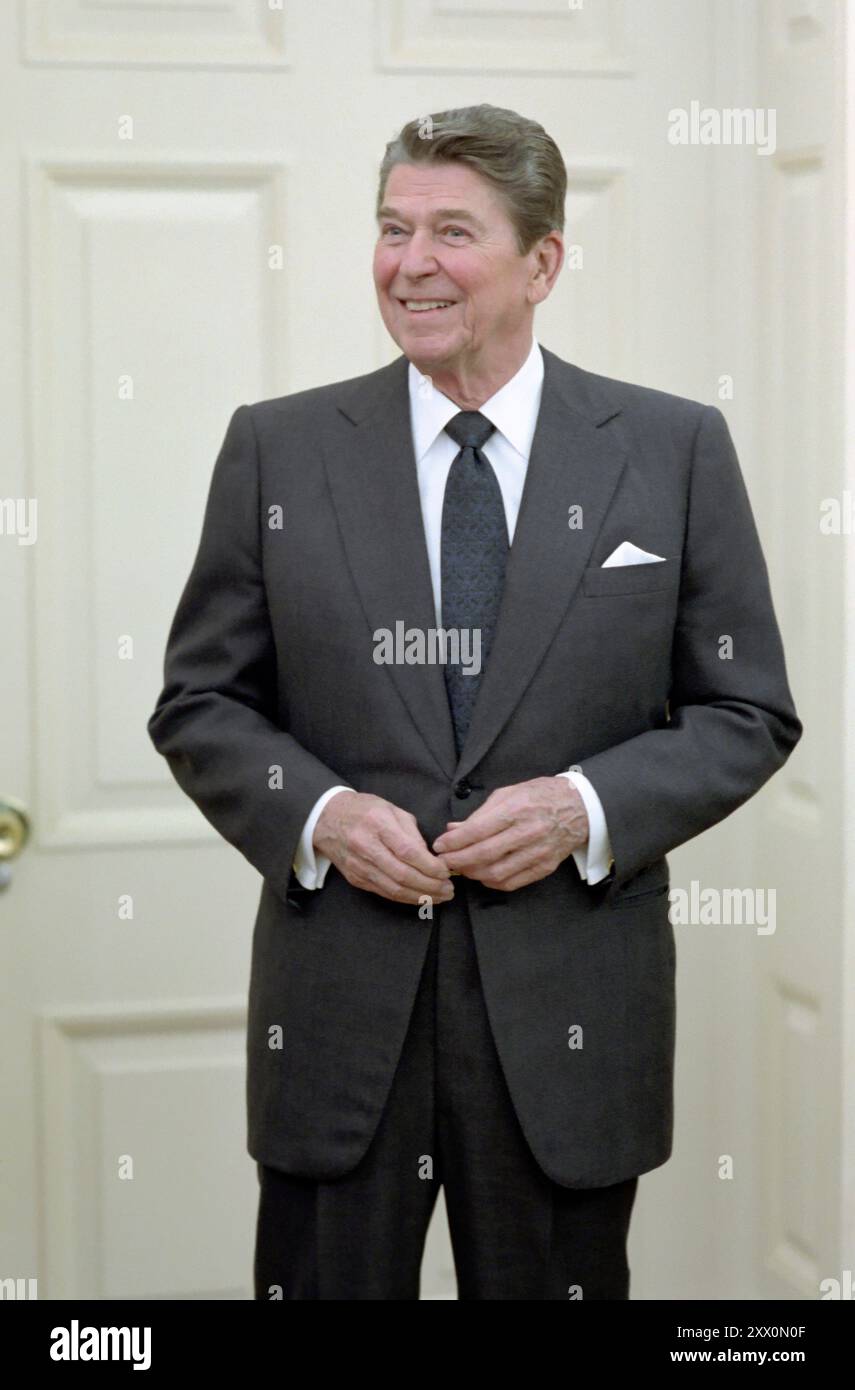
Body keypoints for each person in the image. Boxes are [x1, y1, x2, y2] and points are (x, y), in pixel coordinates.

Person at [147, 103, 802, 1300]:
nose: (411, 263)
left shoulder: (672, 449)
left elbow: (746, 709)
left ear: (543, 261)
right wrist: (323, 814)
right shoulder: (278, 451)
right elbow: (201, 699)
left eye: (454, 231)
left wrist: (585, 804)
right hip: (339, 1025)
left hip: (569, 1021)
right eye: (394, 228)